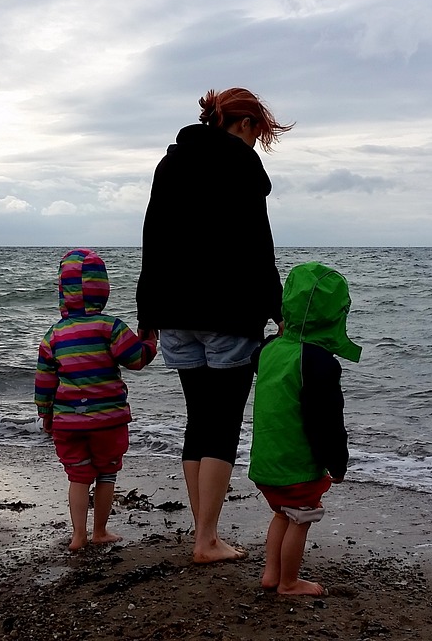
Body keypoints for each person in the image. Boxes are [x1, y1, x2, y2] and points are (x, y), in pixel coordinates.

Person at [136, 87, 293, 563]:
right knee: (221, 426)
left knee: (198, 421)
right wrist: (278, 310)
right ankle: (206, 540)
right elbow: (256, 247)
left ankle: (202, 535)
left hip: (175, 314)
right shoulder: (242, 167)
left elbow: (154, 238)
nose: (256, 143)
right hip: (228, 314)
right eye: (257, 132)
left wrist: (148, 316)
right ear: (243, 124)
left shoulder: (170, 165)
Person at [248, 262, 361, 596]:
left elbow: (258, 356)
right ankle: (288, 582)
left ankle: (271, 574)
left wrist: (286, 333)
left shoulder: (268, 351)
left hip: (265, 464)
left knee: (281, 515)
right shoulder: (320, 363)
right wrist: (337, 463)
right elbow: (327, 421)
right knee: (300, 518)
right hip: (296, 468)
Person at [35, 248, 158, 551]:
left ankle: (78, 536)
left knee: (78, 475)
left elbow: (45, 383)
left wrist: (47, 416)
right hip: (108, 420)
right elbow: (136, 359)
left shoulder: (53, 336)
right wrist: (150, 340)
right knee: (106, 472)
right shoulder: (110, 327)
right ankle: (100, 531)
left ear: (63, 292)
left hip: (68, 422)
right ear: (102, 289)